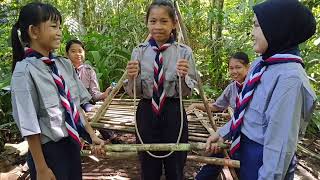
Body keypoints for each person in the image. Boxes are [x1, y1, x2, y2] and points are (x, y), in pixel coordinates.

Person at [206, 0, 317, 179]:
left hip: (264, 160)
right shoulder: (260, 64)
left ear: (277, 29)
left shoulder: (289, 79)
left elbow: (278, 149)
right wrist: (223, 133)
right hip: (246, 149)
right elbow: (247, 114)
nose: (252, 32)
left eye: (257, 25)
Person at [10, 3, 105, 180]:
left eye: (60, 26)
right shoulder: (24, 72)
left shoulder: (64, 65)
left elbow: (76, 107)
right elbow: (30, 125)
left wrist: (92, 136)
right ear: (34, 31)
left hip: (72, 146)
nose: (60, 31)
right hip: (47, 153)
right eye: (54, 26)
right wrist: (41, 169)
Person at [125, 0, 197, 179]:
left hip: (174, 112)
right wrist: (132, 77)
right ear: (147, 23)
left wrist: (184, 76)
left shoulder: (184, 52)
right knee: (148, 165)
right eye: (153, 21)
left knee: (176, 165)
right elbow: (134, 93)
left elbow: (187, 92)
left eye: (164, 21)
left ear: (173, 24)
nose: (158, 26)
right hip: (146, 111)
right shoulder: (139, 52)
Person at [190, 52, 250, 180]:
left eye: (238, 67)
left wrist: (222, 135)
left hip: (249, 136)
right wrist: (196, 105)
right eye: (231, 68)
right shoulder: (232, 88)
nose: (234, 71)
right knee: (216, 155)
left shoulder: (254, 87)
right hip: (234, 133)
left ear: (248, 67)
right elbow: (217, 106)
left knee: (241, 166)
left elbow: (248, 116)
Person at [65, 39, 112, 104]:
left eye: (80, 51)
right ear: (67, 54)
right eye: (73, 51)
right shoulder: (62, 70)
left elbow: (94, 94)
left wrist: (104, 95)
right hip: (69, 106)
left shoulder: (89, 70)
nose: (78, 54)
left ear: (84, 53)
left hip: (87, 106)